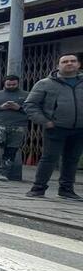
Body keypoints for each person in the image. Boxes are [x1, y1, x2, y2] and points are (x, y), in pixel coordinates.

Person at [24, 53, 83, 200]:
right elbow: (30, 105)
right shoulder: (45, 83)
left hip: (80, 128)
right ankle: (38, 188)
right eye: (65, 61)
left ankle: (66, 190)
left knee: (72, 159)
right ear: (58, 66)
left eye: (73, 61)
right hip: (55, 127)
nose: (69, 63)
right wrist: (45, 121)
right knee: (49, 158)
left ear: (78, 65)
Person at [0, 74, 29, 182]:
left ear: (18, 83)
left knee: (11, 150)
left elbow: (33, 111)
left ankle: (3, 173)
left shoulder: (26, 95)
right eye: (9, 84)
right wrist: (1, 107)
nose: (11, 86)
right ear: (4, 83)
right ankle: (0, 169)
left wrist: (19, 108)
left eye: (14, 84)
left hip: (18, 126)